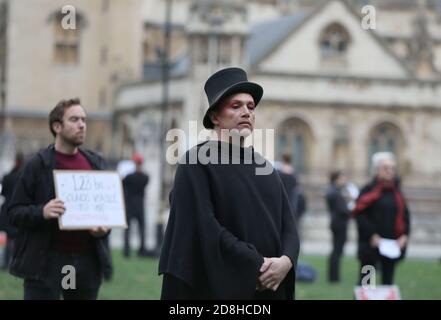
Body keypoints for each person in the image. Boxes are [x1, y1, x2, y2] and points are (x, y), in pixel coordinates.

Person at [159, 67, 300, 300]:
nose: (246, 112)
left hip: (270, 288)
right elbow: (204, 227)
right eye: (236, 106)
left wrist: (286, 261)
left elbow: (289, 227)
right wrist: (256, 264)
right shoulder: (196, 163)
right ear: (215, 117)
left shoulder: (265, 167)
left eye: (251, 106)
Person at [7, 98, 112, 299]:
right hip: (46, 261)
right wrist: (42, 212)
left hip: (86, 262)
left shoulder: (95, 162)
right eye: (74, 119)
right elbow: (13, 212)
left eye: (84, 120)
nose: (82, 125)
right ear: (57, 126)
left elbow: (105, 211)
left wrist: (102, 231)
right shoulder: (37, 165)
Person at [353, 152, 411, 285]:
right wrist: (372, 235)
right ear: (377, 169)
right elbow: (360, 215)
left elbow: (405, 216)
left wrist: (404, 235)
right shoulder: (368, 190)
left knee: (387, 284)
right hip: (371, 245)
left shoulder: (396, 192)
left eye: (392, 168)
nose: (390, 171)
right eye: (386, 168)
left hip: (391, 245)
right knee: (367, 284)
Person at [123, 152, 149, 257]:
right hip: (140, 204)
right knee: (141, 229)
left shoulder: (129, 177)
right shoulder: (145, 177)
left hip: (130, 204)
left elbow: (123, 184)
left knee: (128, 230)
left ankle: (127, 251)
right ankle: (141, 251)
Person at [325, 170, 350, 283]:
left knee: (337, 251)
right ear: (337, 179)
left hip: (337, 223)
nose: (344, 180)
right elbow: (343, 210)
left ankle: (334, 277)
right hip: (339, 224)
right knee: (337, 251)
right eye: (342, 178)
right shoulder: (335, 192)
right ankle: (334, 278)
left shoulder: (335, 191)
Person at [0, 152, 24, 270]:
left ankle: (6, 262)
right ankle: (13, 263)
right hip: (19, 209)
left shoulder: (8, 177)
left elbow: (3, 192)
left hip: (7, 210)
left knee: (9, 238)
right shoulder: (23, 177)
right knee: (16, 239)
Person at [276, 153, 307, 222]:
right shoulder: (293, 172)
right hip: (291, 199)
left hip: (282, 198)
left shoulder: (279, 171)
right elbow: (297, 187)